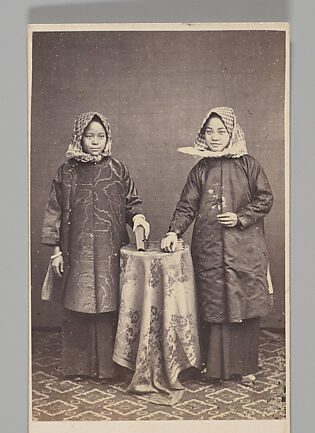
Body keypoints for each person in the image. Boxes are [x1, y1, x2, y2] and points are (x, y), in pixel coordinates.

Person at [161, 107, 273, 384]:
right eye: (209, 131)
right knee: (212, 304)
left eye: (221, 131)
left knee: (243, 304)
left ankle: (244, 366)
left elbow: (265, 199)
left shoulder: (250, 165)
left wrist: (240, 217)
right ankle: (212, 368)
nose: (214, 136)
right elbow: (187, 206)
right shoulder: (200, 168)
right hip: (209, 249)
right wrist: (174, 232)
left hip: (244, 249)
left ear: (232, 133)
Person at [41, 111, 149, 380]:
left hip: (109, 250)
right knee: (77, 304)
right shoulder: (66, 171)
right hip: (75, 250)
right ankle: (78, 368)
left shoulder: (118, 169)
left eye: (101, 136)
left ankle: (109, 368)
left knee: (110, 305)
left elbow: (132, 202)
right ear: (79, 137)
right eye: (89, 136)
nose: (95, 141)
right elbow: (53, 211)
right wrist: (56, 252)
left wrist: (138, 217)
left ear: (107, 138)